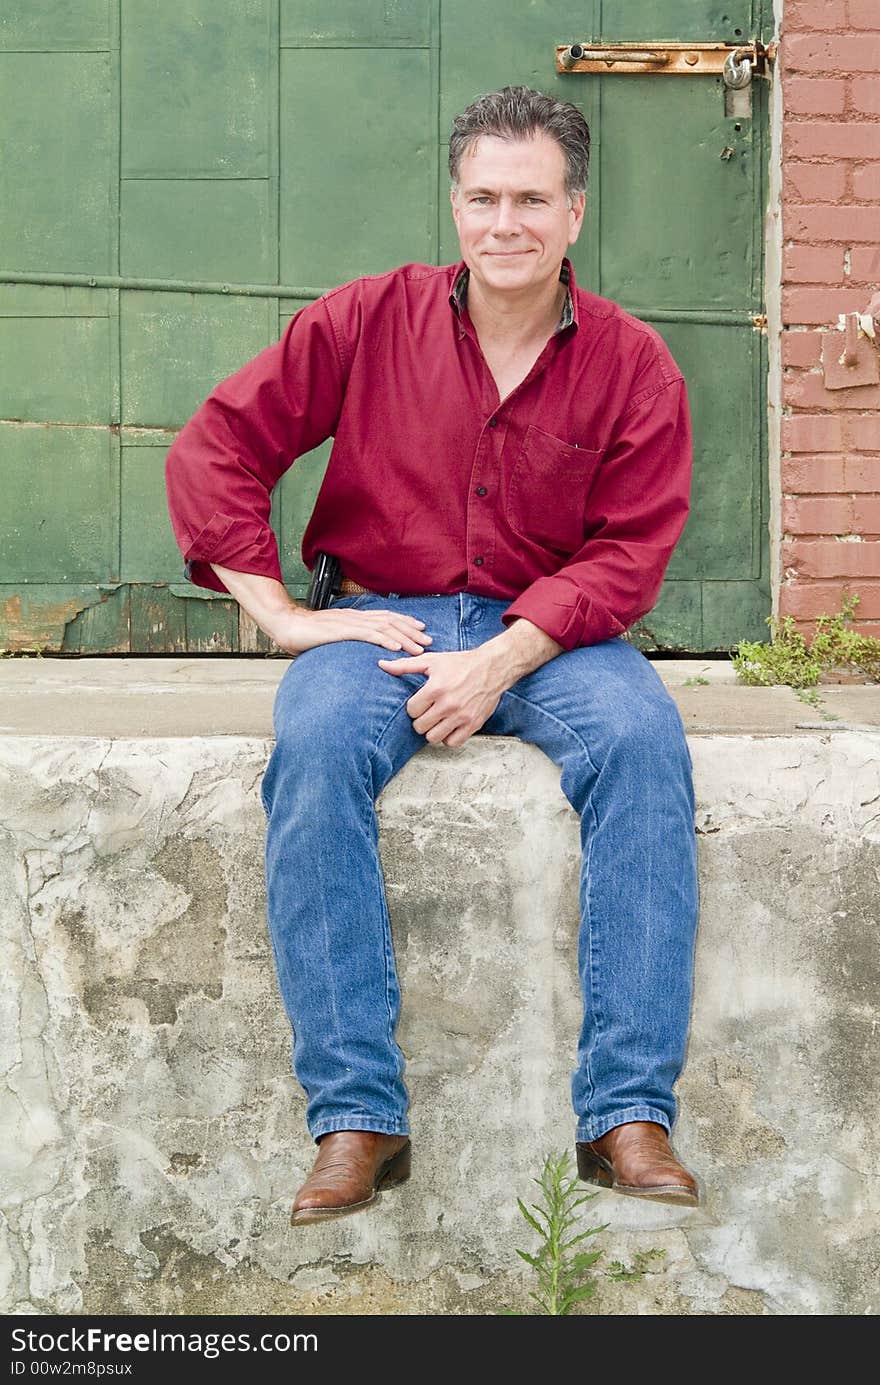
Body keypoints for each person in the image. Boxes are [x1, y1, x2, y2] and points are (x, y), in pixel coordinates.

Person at [164, 84, 701, 1225]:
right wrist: (287, 620)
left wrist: (499, 660)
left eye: (531, 199)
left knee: (645, 743)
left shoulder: (634, 364)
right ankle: (357, 1117)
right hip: (386, 621)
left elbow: (630, 550)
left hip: (554, 631)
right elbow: (220, 445)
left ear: (574, 212)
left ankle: (625, 1112)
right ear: (455, 206)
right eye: (483, 198)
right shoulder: (365, 319)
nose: (505, 222)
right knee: (311, 746)